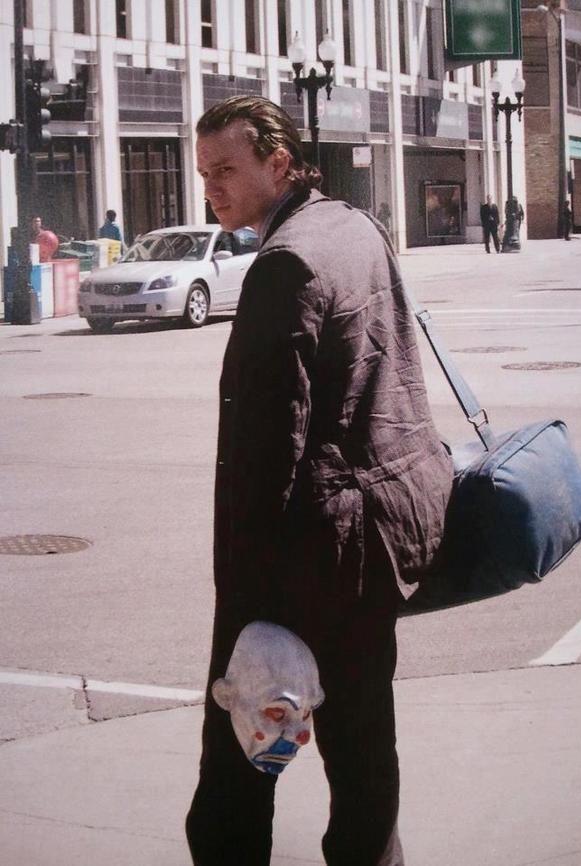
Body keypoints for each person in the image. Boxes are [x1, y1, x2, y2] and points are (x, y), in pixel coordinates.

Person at [186, 95, 453, 866]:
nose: (211, 186)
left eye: (226, 168)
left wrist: (245, 604)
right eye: (203, 172)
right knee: (364, 746)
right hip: (378, 540)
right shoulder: (355, 225)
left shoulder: (285, 264)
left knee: (235, 774)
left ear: (279, 162)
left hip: (310, 553)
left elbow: (265, 452)